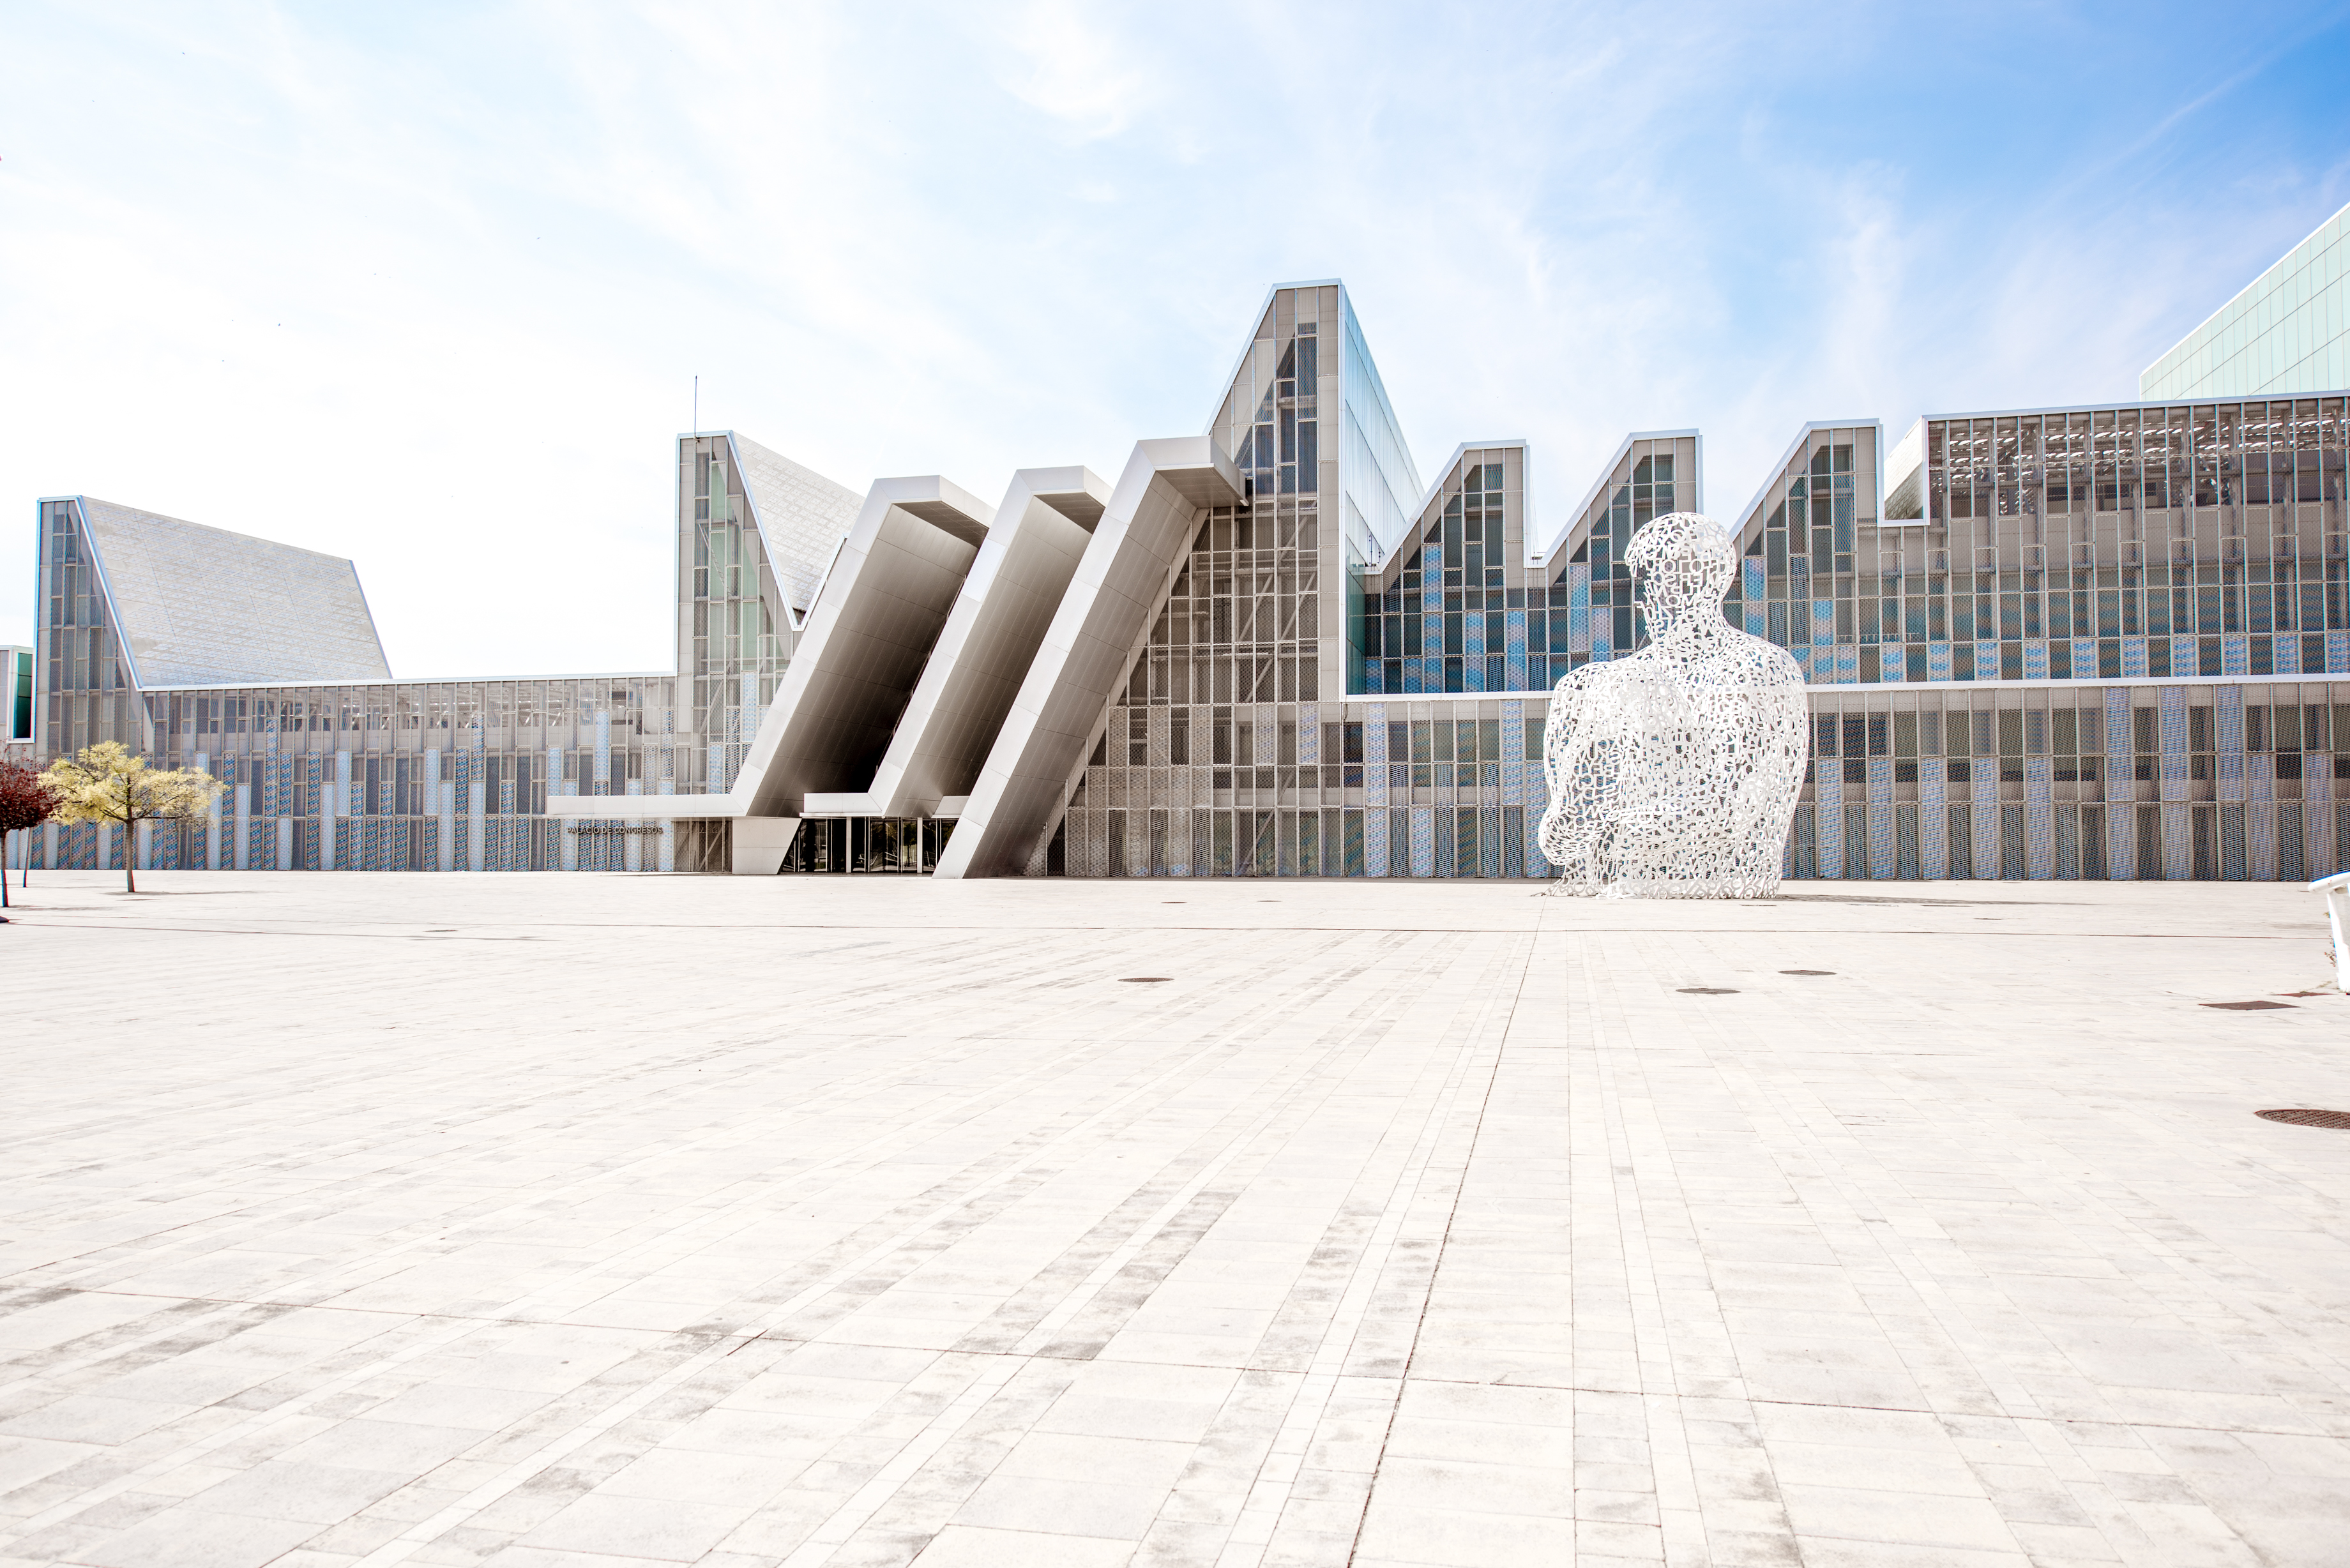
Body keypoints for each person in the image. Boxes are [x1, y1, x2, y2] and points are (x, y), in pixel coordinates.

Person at [1538, 512, 1807, 898]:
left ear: (1691, 581)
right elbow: (1562, 844)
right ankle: (1578, 830)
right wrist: (1582, 805)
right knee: (1583, 682)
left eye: (1649, 583)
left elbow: (1731, 806)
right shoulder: (1604, 682)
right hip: (1618, 852)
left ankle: (1589, 832)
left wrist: (1619, 826)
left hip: (1719, 867)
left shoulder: (1756, 667)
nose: (1639, 600)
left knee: (1629, 683)